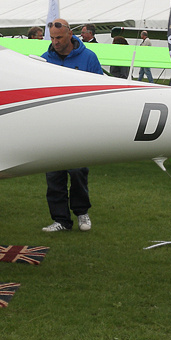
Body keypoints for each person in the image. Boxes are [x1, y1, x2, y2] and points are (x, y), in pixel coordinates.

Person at [40, 17, 103, 232]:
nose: (55, 42)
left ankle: (82, 212)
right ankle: (61, 220)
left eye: (59, 37)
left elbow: (100, 88)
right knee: (54, 175)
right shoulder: (44, 60)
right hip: (52, 126)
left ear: (70, 35)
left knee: (77, 172)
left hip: (79, 125)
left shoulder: (89, 57)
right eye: (53, 38)